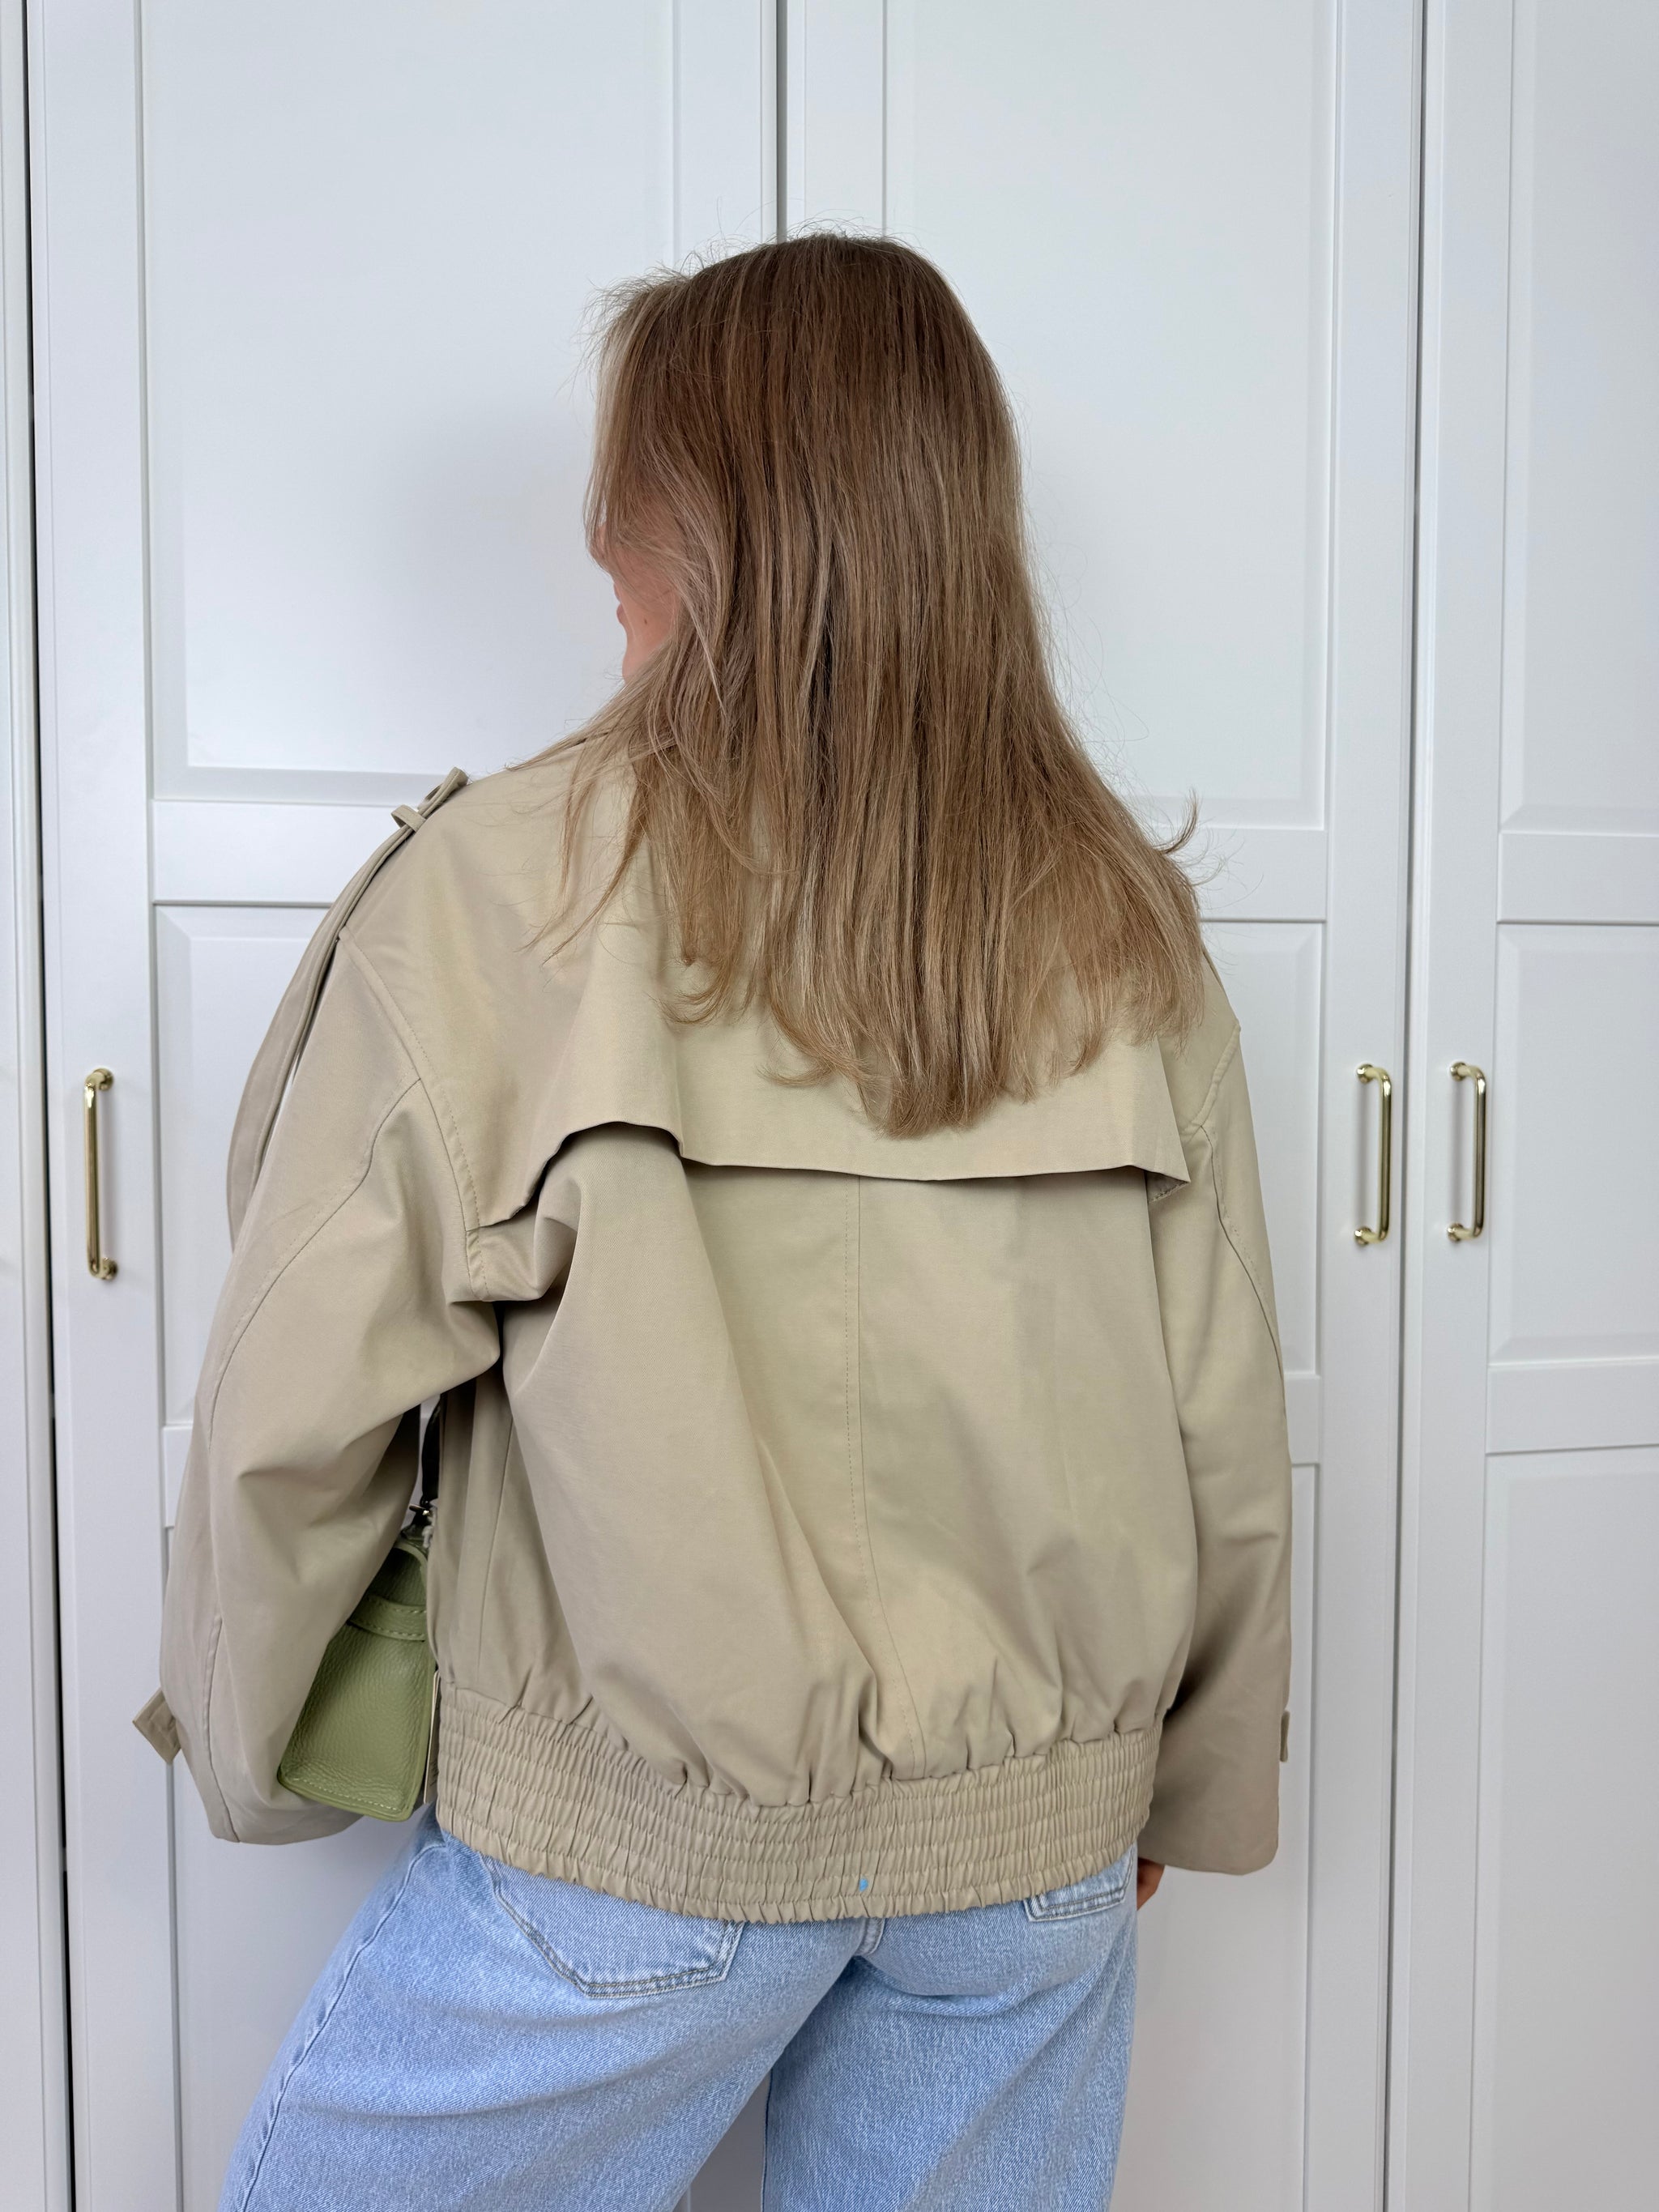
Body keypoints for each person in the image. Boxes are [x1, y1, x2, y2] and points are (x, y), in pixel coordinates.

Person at [143, 234, 1292, 2211]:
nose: (596, 546)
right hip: (1026, 1874)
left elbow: (292, 1403)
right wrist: (1178, 1784)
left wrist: (255, 1751)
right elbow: (1223, 1421)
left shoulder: (495, 891)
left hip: (637, 1853)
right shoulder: (1125, 922)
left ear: (687, 517)